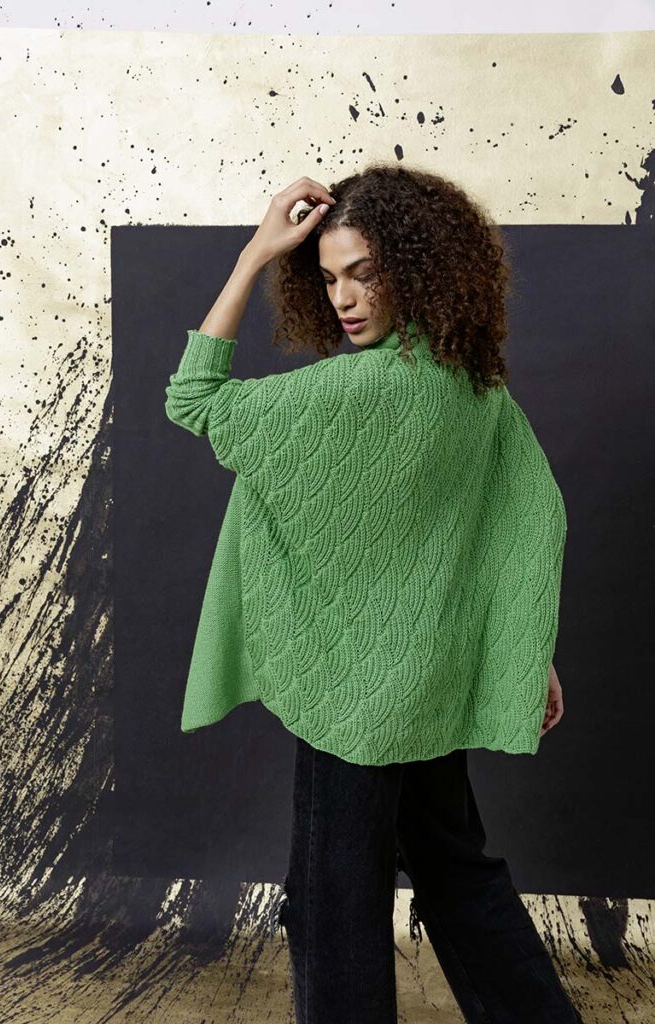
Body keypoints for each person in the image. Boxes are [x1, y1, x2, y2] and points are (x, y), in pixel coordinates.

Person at [164, 165, 581, 1023]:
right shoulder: (471, 384)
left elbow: (192, 398)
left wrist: (252, 256)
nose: (344, 300)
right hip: (429, 686)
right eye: (327, 279)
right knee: (457, 873)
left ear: (417, 268)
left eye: (364, 273)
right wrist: (525, 648)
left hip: (352, 697)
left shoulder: (347, 392)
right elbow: (516, 524)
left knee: (334, 901)